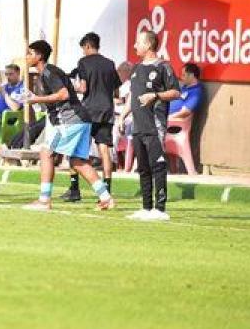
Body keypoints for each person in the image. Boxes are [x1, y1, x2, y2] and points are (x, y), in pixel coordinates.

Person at [20, 40, 115, 212]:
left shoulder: (49, 72)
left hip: (70, 119)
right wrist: (34, 98)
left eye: (30, 53)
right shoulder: (46, 73)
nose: (27, 57)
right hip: (80, 119)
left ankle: (44, 201)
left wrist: (36, 99)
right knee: (78, 161)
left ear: (39, 56)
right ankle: (106, 198)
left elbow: (63, 94)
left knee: (46, 153)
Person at [117, 30, 180, 221]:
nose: (135, 46)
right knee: (143, 167)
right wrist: (122, 116)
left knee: (157, 166)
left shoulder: (163, 67)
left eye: (138, 42)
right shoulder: (136, 69)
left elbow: (176, 92)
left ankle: (160, 209)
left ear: (148, 45)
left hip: (155, 126)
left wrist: (156, 95)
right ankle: (146, 208)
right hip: (138, 126)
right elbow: (132, 97)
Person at [61, 32, 121, 202]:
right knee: (104, 150)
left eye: (83, 49)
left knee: (75, 150)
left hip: (88, 111)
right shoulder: (110, 64)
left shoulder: (83, 62)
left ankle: (74, 189)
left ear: (87, 46)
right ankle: (107, 189)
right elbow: (116, 91)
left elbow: (84, 88)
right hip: (107, 110)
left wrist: (74, 89)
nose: (83, 52)